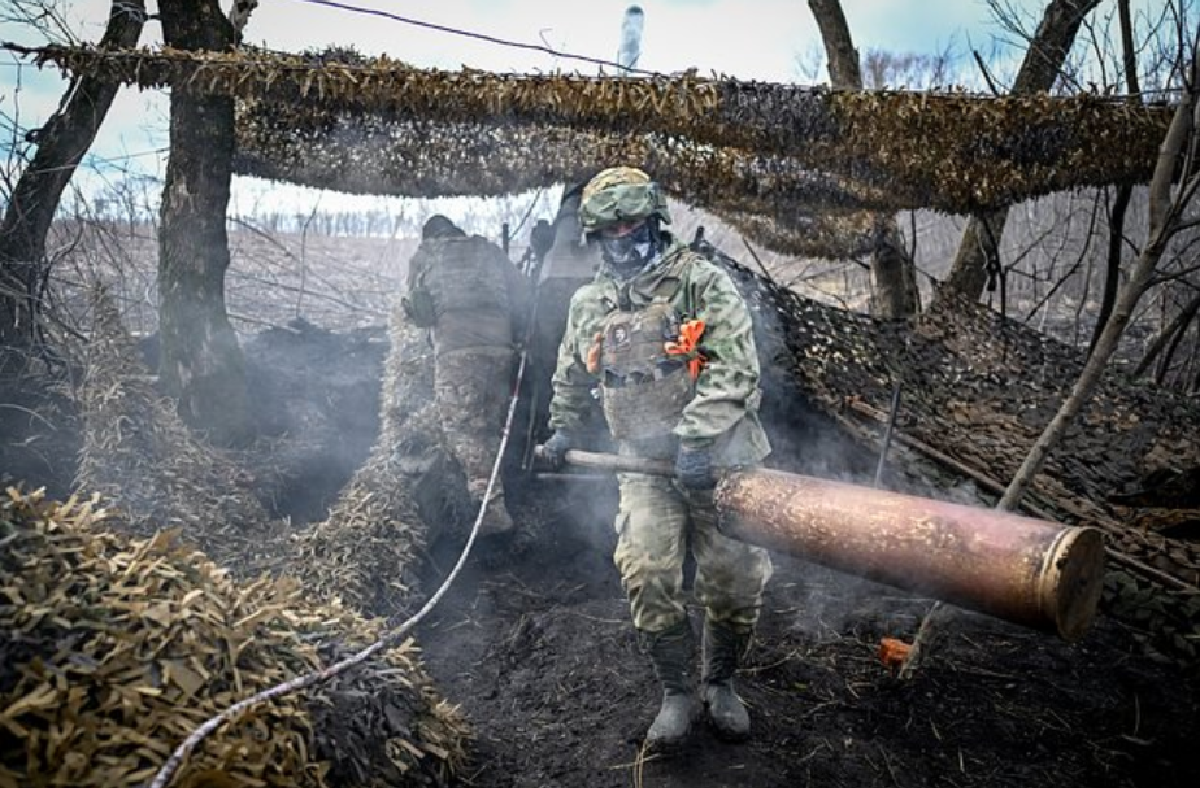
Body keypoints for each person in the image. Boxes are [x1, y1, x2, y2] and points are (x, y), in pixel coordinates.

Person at [536, 167, 773, 748]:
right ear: (593, 235)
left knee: (735, 579)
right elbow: (570, 370)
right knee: (646, 569)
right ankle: (677, 691)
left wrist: (696, 439)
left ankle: (719, 684)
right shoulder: (590, 302)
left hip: (722, 458)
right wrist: (563, 429)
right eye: (609, 228)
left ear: (655, 220)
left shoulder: (702, 283)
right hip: (642, 462)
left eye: (632, 223)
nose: (622, 235)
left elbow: (735, 369)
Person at [403, 215, 529, 537]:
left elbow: (420, 312)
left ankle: (491, 509)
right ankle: (501, 488)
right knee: (489, 423)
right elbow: (521, 294)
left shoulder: (426, 255)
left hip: (457, 351)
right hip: (501, 349)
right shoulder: (488, 250)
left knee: (462, 428)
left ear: (430, 236)